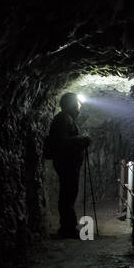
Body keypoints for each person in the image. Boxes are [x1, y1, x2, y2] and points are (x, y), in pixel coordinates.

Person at [46, 92, 91, 239]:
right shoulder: (63, 118)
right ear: (71, 104)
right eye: (78, 103)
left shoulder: (66, 118)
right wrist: (82, 139)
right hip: (67, 164)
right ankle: (67, 228)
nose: (80, 106)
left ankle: (68, 227)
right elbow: (62, 142)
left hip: (68, 163)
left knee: (68, 195)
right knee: (67, 195)